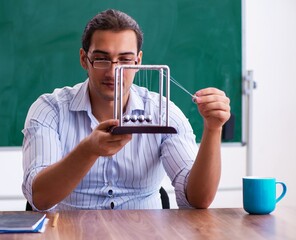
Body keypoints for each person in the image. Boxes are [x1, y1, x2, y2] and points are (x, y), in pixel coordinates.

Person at [22, 9, 230, 211]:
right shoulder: (50, 110)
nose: (113, 72)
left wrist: (213, 129)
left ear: (138, 61)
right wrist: (88, 150)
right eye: (102, 59)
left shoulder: (163, 111)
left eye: (125, 60)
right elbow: (40, 198)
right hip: (71, 233)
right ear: (84, 59)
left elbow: (197, 200)